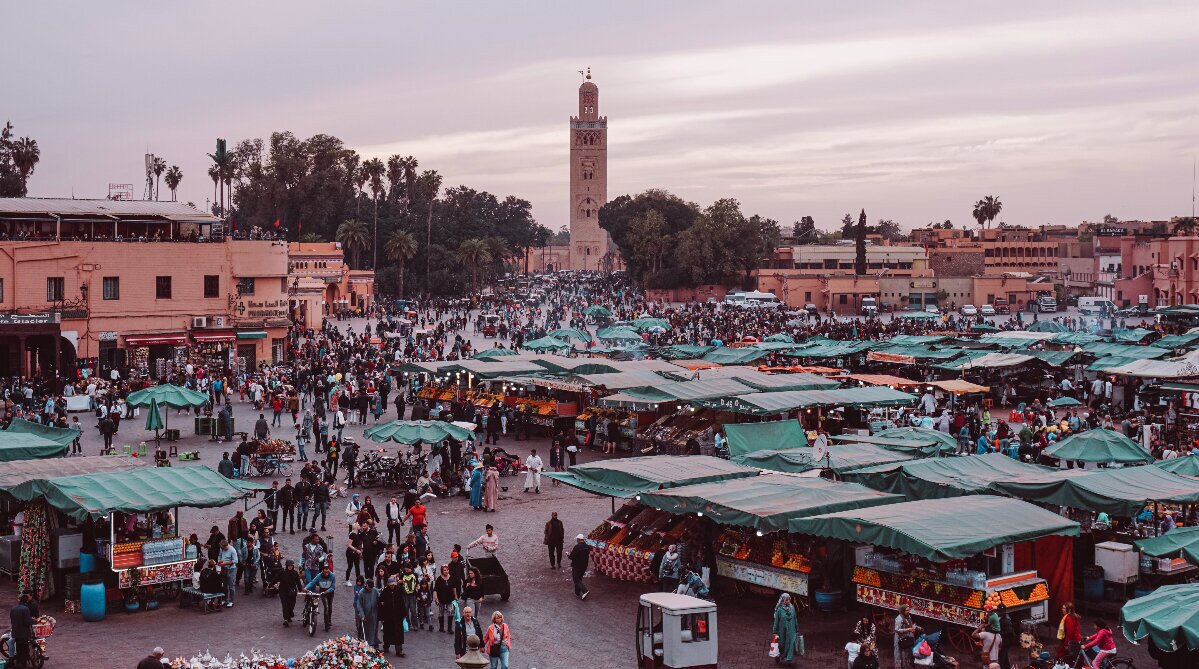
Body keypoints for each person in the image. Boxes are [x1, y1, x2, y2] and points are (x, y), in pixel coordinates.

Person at [379, 576, 407, 658]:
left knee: (398, 634)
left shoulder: (398, 591)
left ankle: (399, 650)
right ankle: (386, 647)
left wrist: (403, 614)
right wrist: (382, 617)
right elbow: (381, 603)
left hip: (397, 616)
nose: (392, 586)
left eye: (393, 584)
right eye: (391, 585)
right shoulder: (385, 592)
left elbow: (402, 603)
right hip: (388, 617)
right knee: (387, 633)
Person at [304, 565, 337, 633]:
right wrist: (306, 588)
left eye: (327, 572)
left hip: (330, 592)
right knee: (326, 606)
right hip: (322, 592)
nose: (326, 574)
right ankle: (326, 625)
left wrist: (328, 591)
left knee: (329, 606)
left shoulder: (332, 576)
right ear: (322, 571)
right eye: (325, 572)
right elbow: (312, 582)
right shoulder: (319, 576)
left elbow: (333, 587)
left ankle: (328, 621)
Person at [9, 591, 35, 669]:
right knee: (24, 649)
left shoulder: (13, 608)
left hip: (15, 632)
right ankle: (22, 664)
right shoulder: (25, 609)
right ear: (26, 601)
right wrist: (33, 620)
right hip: (23, 633)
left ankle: (18, 663)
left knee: (19, 649)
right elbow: (27, 622)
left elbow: (12, 620)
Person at [272, 559, 303, 626]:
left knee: (292, 604)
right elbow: (275, 579)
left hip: (292, 591)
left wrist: (300, 590)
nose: (290, 567)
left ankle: (289, 615)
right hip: (283, 591)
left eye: (291, 566)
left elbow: (298, 582)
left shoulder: (295, 573)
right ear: (286, 566)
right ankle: (285, 619)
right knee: (285, 605)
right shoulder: (282, 572)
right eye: (289, 566)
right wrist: (269, 585)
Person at [772, 593, 799, 665]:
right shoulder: (779, 610)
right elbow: (776, 621)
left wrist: (797, 628)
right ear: (783, 600)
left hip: (791, 630)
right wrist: (774, 631)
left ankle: (789, 658)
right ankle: (778, 655)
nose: (788, 601)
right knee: (781, 644)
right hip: (782, 631)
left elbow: (795, 618)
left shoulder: (792, 608)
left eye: (789, 599)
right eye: (786, 600)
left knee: (791, 643)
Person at [355, 577, 381, 649]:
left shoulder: (375, 591)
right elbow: (359, 605)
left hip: (374, 614)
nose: (370, 590)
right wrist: (362, 615)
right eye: (369, 588)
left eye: (371, 588)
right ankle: (364, 645)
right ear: (366, 585)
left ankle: (374, 644)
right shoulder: (361, 592)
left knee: (374, 630)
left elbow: (379, 600)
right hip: (365, 615)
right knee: (364, 631)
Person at [434, 564, 458, 633]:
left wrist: (455, 596)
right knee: (441, 612)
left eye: (447, 570)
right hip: (441, 598)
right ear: (442, 571)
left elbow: (454, 587)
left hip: (449, 598)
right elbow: (435, 590)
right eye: (444, 570)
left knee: (450, 612)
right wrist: (436, 599)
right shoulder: (439, 579)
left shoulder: (451, 578)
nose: (446, 571)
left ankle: (449, 628)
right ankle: (441, 627)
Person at [894, 604, 920, 669]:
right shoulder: (899, 618)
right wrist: (908, 629)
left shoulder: (908, 616)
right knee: (900, 654)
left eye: (909, 610)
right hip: (900, 639)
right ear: (903, 610)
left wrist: (916, 627)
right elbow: (897, 629)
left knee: (908, 654)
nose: (908, 612)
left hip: (907, 637)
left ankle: (908, 666)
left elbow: (910, 625)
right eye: (907, 610)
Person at [567, 534, 591, 600]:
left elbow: (571, 557)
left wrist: (568, 554)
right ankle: (577, 592)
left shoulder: (577, 547)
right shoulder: (587, 546)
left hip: (577, 565)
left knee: (576, 579)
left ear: (578, 539)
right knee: (579, 578)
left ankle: (585, 591)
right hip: (584, 565)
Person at [217, 538, 239, 608]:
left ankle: (231, 601)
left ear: (226, 546)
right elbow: (219, 556)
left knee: (231, 586)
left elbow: (236, 561)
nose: (223, 549)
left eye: (223, 548)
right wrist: (219, 561)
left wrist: (226, 563)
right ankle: (225, 599)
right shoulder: (222, 549)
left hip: (231, 569)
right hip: (223, 569)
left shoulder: (232, 550)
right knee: (224, 585)